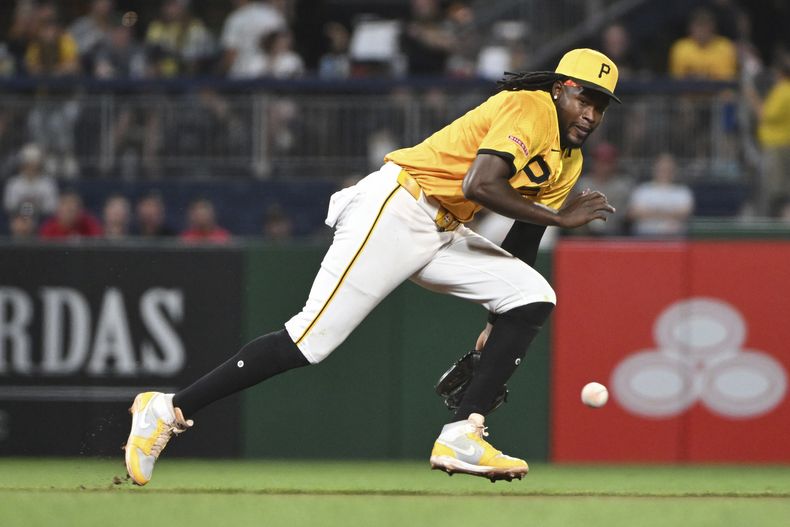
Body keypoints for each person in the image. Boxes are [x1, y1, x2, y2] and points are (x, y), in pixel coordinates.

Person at [123, 48, 620, 485]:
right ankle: (166, 411)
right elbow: (480, 184)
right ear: (559, 89)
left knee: (533, 294)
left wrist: (496, 316)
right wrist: (561, 216)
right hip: (399, 206)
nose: (591, 113)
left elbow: (526, 233)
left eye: (600, 106)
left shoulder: (568, 160)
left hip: (442, 229)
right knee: (309, 340)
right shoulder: (528, 106)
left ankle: (463, 433)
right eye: (584, 98)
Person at [627, 153, 694, 237]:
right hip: (644, 237)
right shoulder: (643, 190)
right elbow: (633, 213)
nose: (665, 171)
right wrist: (670, 213)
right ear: (655, 168)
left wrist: (650, 213)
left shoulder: (683, 191)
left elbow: (684, 214)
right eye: (662, 168)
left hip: (675, 238)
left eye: (669, 168)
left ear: (674, 170)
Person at [668, 7, 737, 81]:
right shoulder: (681, 47)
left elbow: (728, 81)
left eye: (705, 26)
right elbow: (677, 80)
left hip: (717, 91)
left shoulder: (725, 47)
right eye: (698, 26)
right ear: (690, 28)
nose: (702, 31)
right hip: (688, 91)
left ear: (713, 28)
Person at [3, 143, 58, 217]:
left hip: (42, 219)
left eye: (33, 165)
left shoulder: (48, 184)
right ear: (22, 165)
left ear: (39, 166)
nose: (30, 169)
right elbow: (9, 206)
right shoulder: (13, 183)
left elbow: (52, 208)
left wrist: (34, 207)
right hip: (18, 219)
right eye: (28, 165)